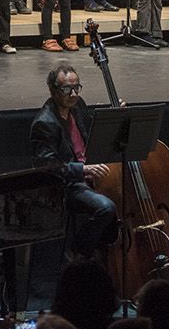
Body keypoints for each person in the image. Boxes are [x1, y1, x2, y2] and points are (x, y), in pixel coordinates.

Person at [30, 64, 118, 261]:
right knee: (106, 207)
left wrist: (115, 116)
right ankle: (78, 252)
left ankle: (106, 253)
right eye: (67, 89)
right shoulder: (45, 123)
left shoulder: (77, 106)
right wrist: (83, 169)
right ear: (53, 91)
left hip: (87, 175)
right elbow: (47, 167)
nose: (73, 93)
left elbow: (91, 130)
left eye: (77, 87)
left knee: (122, 196)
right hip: (68, 185)